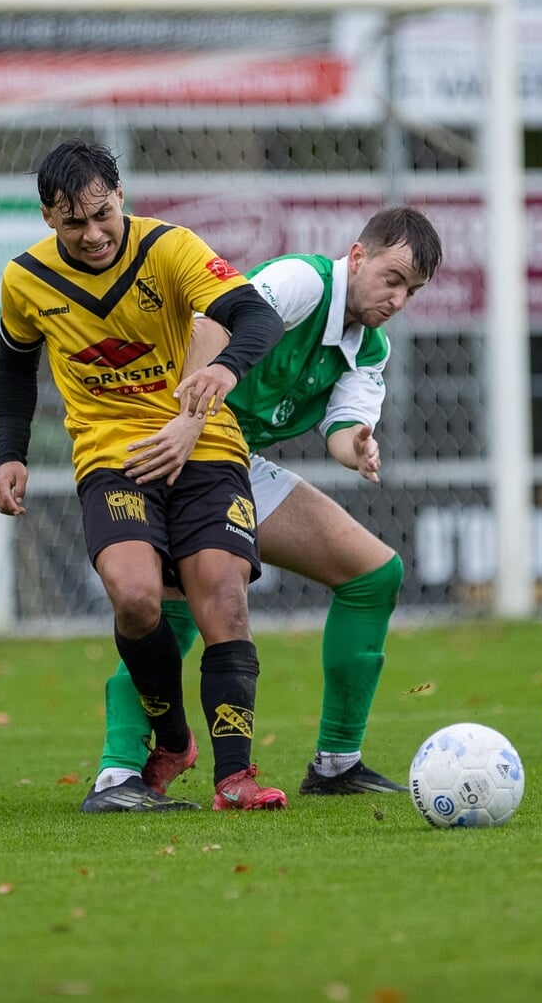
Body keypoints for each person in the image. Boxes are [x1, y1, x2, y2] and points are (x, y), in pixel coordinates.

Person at [81, 207, 443, 812]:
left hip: (236, 461)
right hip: (179, 441)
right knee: (171, 608)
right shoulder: (303, 281)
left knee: (374, 573)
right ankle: (119, 774)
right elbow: (208, 327)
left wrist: (357, 446)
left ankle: (336, 763)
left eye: (413, 291)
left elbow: (341, 428)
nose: (399, 299)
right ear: (357, 257)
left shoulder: (370, 348)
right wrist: (185, 426)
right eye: (393, 279)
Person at [0, 139, 289, 811]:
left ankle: (234, 778)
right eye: (75, 223)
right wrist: (12, 451)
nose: (94, 234)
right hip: (112, 454)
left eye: (103, 214)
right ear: (47, 218)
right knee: (134, 598)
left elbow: (257, 316)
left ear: (120, 196)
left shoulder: (171, 248)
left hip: (203, 443)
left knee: (225, 600)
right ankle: (175, 738)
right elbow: (14, 365)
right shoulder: (24, 280)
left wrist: (219, 370)